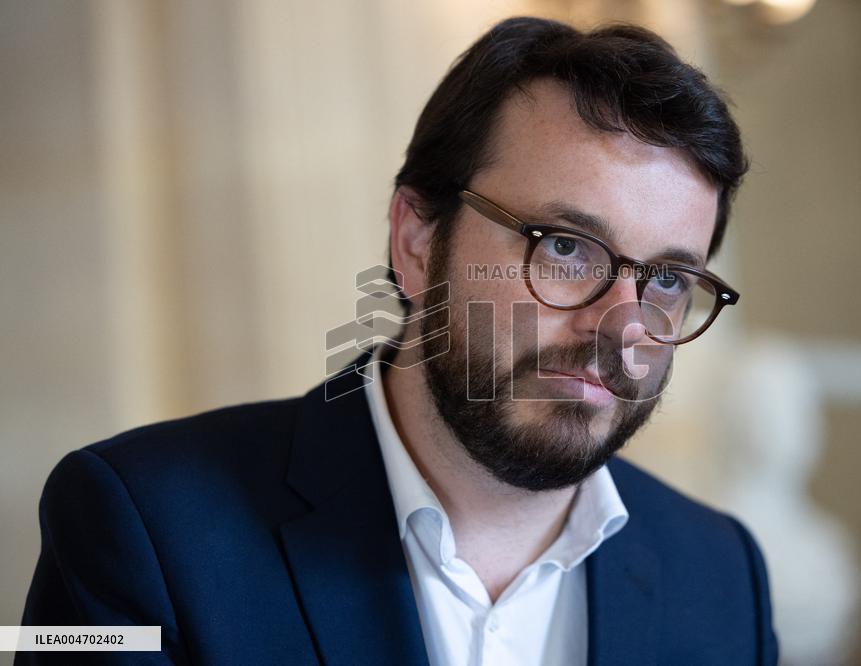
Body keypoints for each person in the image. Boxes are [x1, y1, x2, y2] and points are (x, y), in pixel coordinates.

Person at [18, 16, 778, 665]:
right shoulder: (138, 523)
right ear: (417, 239)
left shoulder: (721, 578)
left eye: (670, 281)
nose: (620, 325)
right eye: (566, 247)